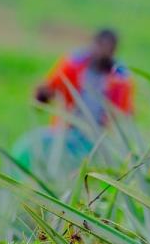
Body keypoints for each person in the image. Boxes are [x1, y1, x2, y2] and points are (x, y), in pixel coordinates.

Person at [16, 29, 133, 170]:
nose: (103, 51)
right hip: (64, 131)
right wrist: (42, 94)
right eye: (100, 45)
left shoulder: (120, 77)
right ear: (93, 43)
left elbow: (123, 114)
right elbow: (48, 91)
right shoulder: (73, 64)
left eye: (109, 48)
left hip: (96, 139)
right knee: (26, 147)